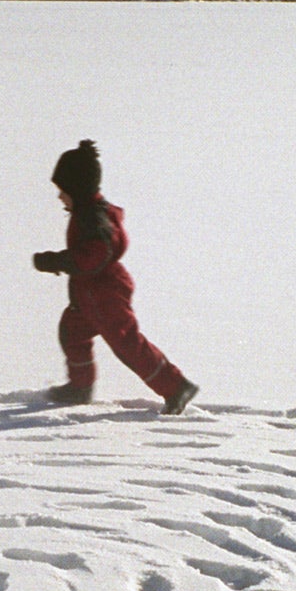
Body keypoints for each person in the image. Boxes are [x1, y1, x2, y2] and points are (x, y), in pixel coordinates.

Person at [32, 140, 199, 415]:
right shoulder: (86, 211)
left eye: (63, 191)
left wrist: (59, 261)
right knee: (72, 332)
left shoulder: (94, 219)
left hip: (104, 293)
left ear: (78, 189)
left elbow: (97, 252)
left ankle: (176, 386)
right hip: (89, 293)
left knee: (127, 344)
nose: (60, 197)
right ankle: (80, 386)